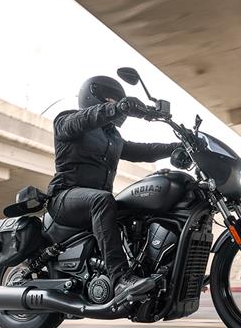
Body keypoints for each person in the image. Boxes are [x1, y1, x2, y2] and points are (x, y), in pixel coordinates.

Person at [46, 75, 179, 295]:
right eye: (108, 99)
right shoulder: (67, 120)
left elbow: (140, 150)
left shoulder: (112, 137)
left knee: (137, 210)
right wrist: (117, 107)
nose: (113, 104)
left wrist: (174, 147)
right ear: (92, 96)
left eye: (115, 100)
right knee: (103, 200)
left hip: (92, 201)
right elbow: (85, 119)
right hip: (65, 196)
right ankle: (120, 279)